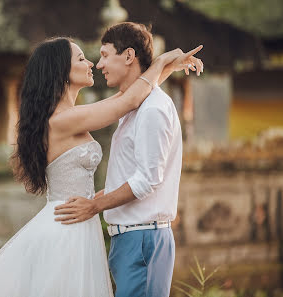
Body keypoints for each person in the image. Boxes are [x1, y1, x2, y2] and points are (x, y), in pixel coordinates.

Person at [0, 35, 202, 297]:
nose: (92, 63)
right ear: (62, 72)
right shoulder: (62, 119)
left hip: (80, 218)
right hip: (66, 225)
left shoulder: (73, 114)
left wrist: (165, 68)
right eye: (81, 58)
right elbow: (128, 101)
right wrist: (163, 60)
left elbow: (131, 94)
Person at [54, 23, 203, 297]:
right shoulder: (132, 107)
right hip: (130, 239)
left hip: (143, 239)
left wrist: (95, 205)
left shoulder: (152, 109)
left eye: (105, 55)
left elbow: (147, 180)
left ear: (128, 56)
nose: (99, 65)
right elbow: (127, 177)